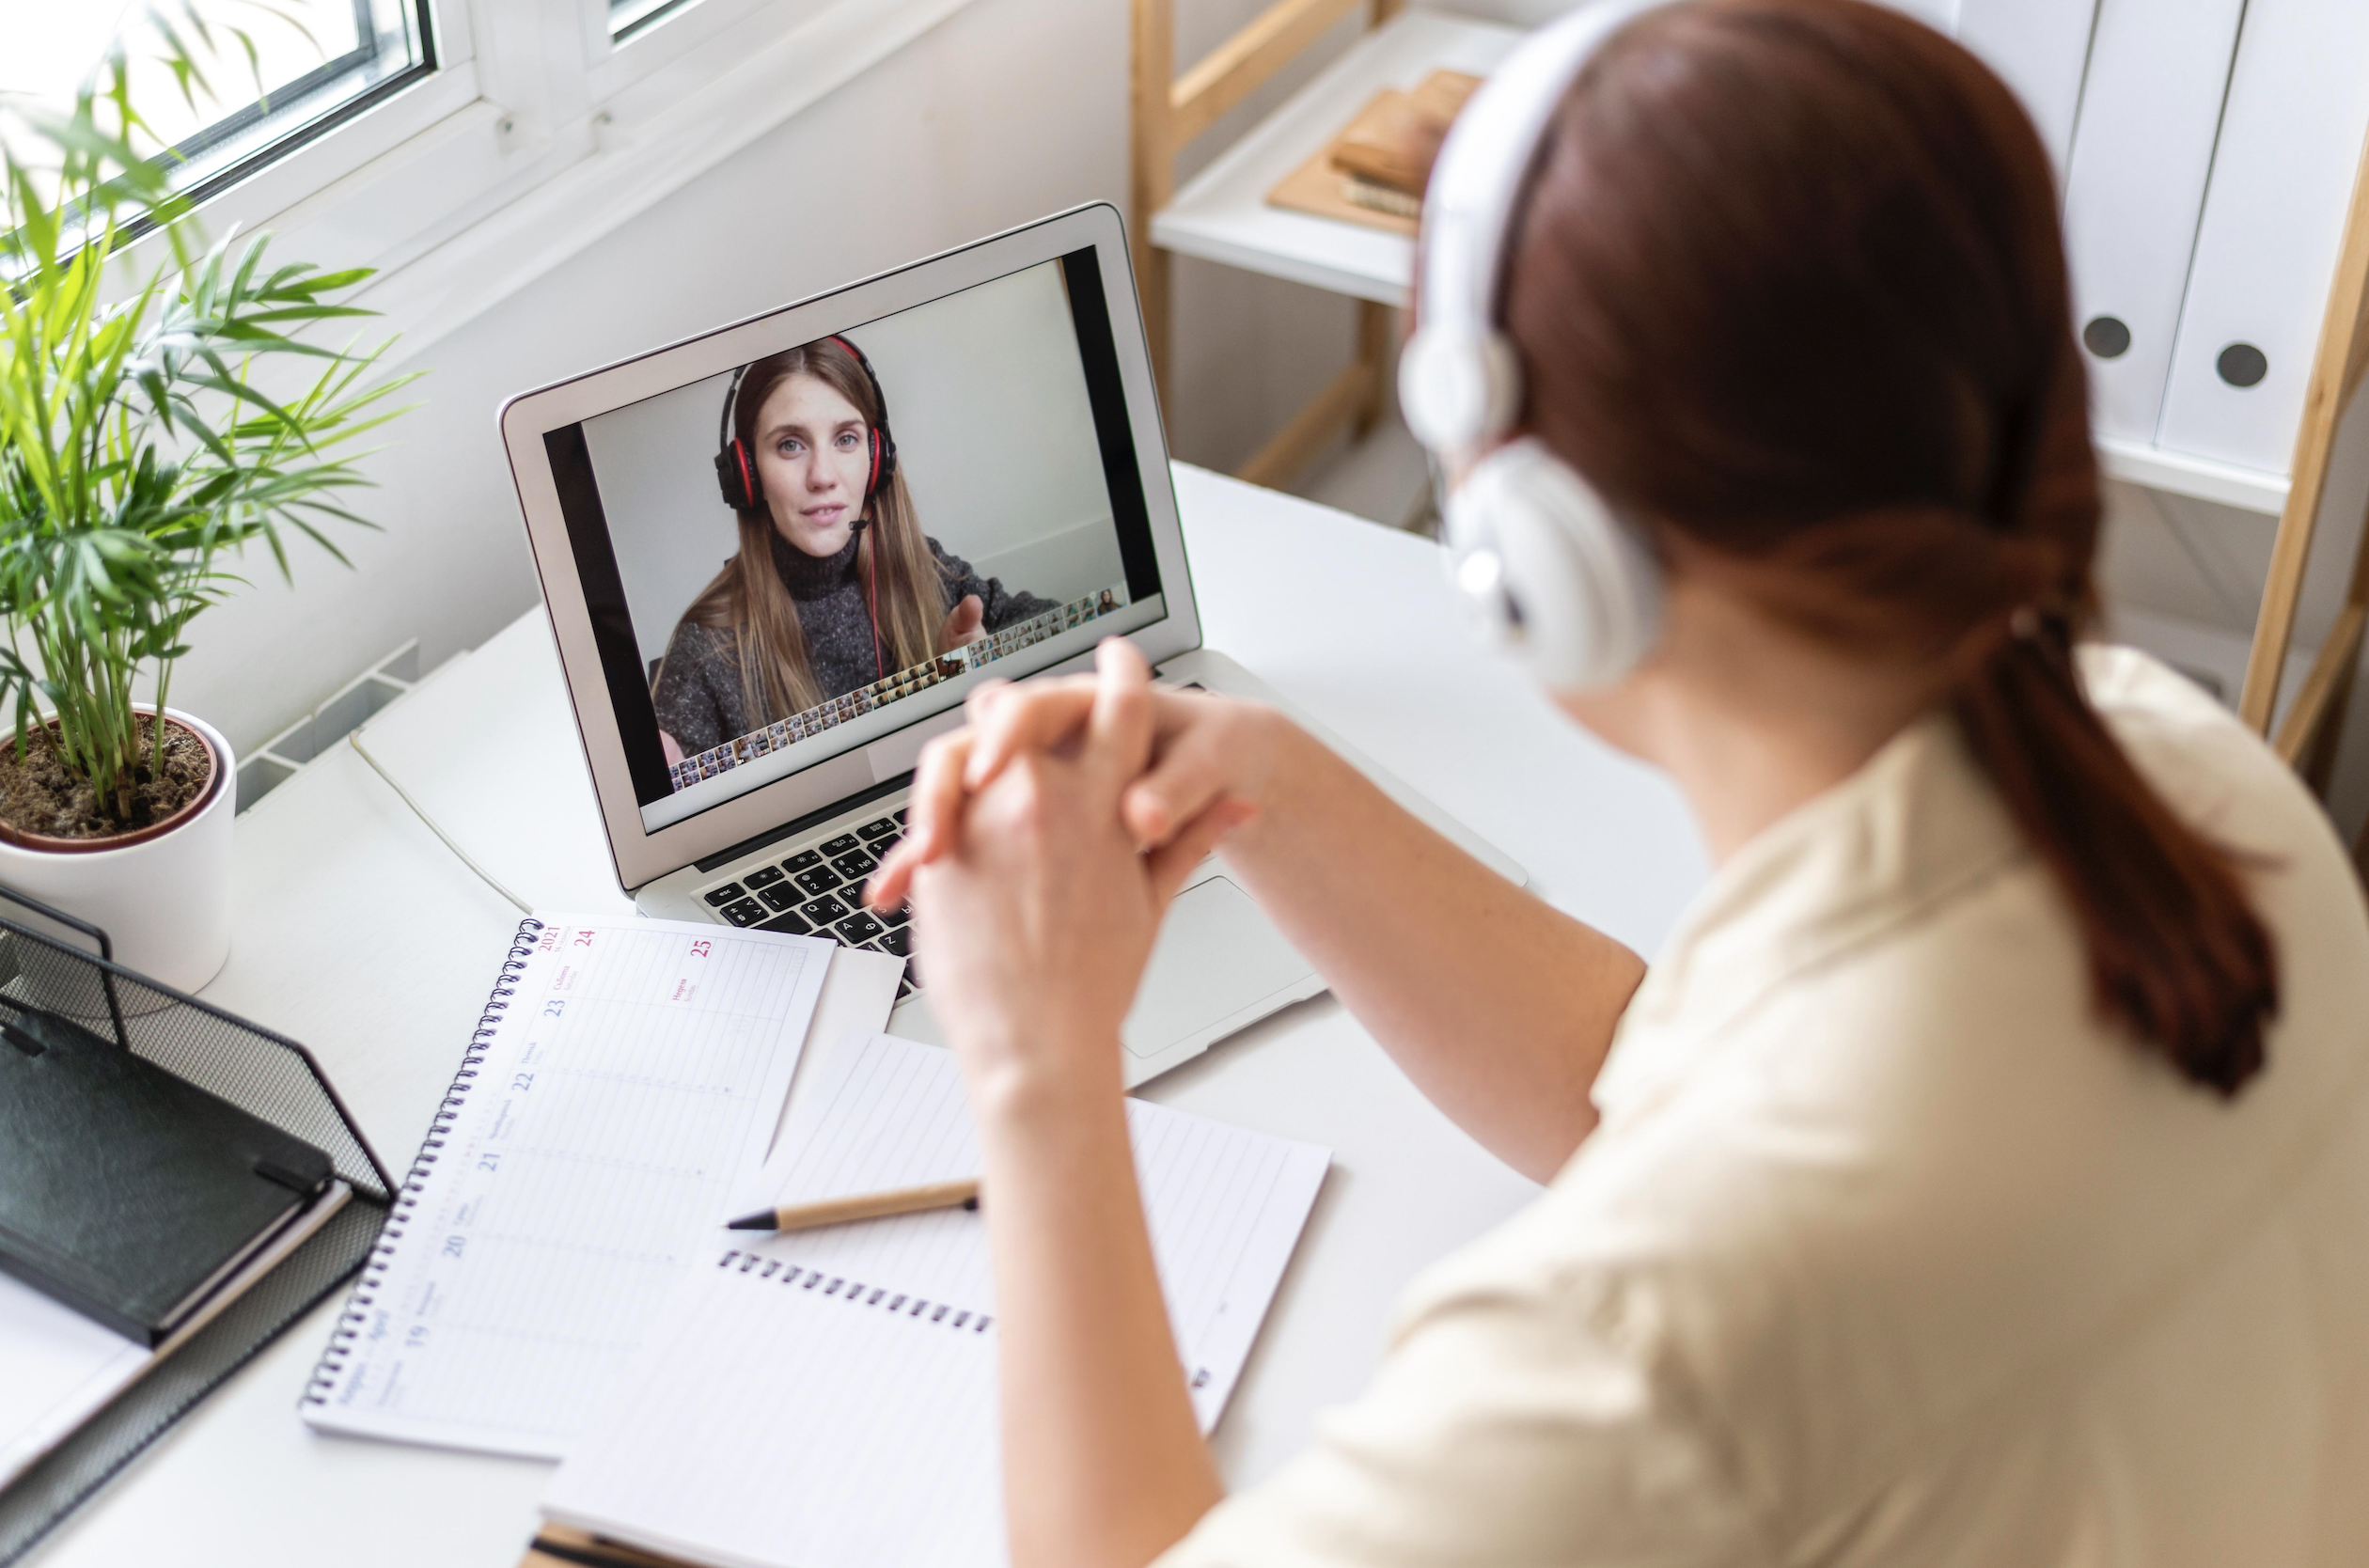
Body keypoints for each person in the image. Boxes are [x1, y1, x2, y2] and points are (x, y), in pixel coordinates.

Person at [866, 2, 2369, 1564]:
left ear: (1542, 547)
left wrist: (1040, 1066)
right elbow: (1642, 1082)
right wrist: (1274, 787)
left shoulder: (1663, 1340)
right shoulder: (2179, 773)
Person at [651, 337, 1054, 761]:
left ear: (876, 458)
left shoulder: (925, 568)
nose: (823, 476)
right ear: (747, 475)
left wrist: (982, 670)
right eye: (790, 444)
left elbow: (1062, 629)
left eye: (845, 439)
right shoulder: (705, 650)